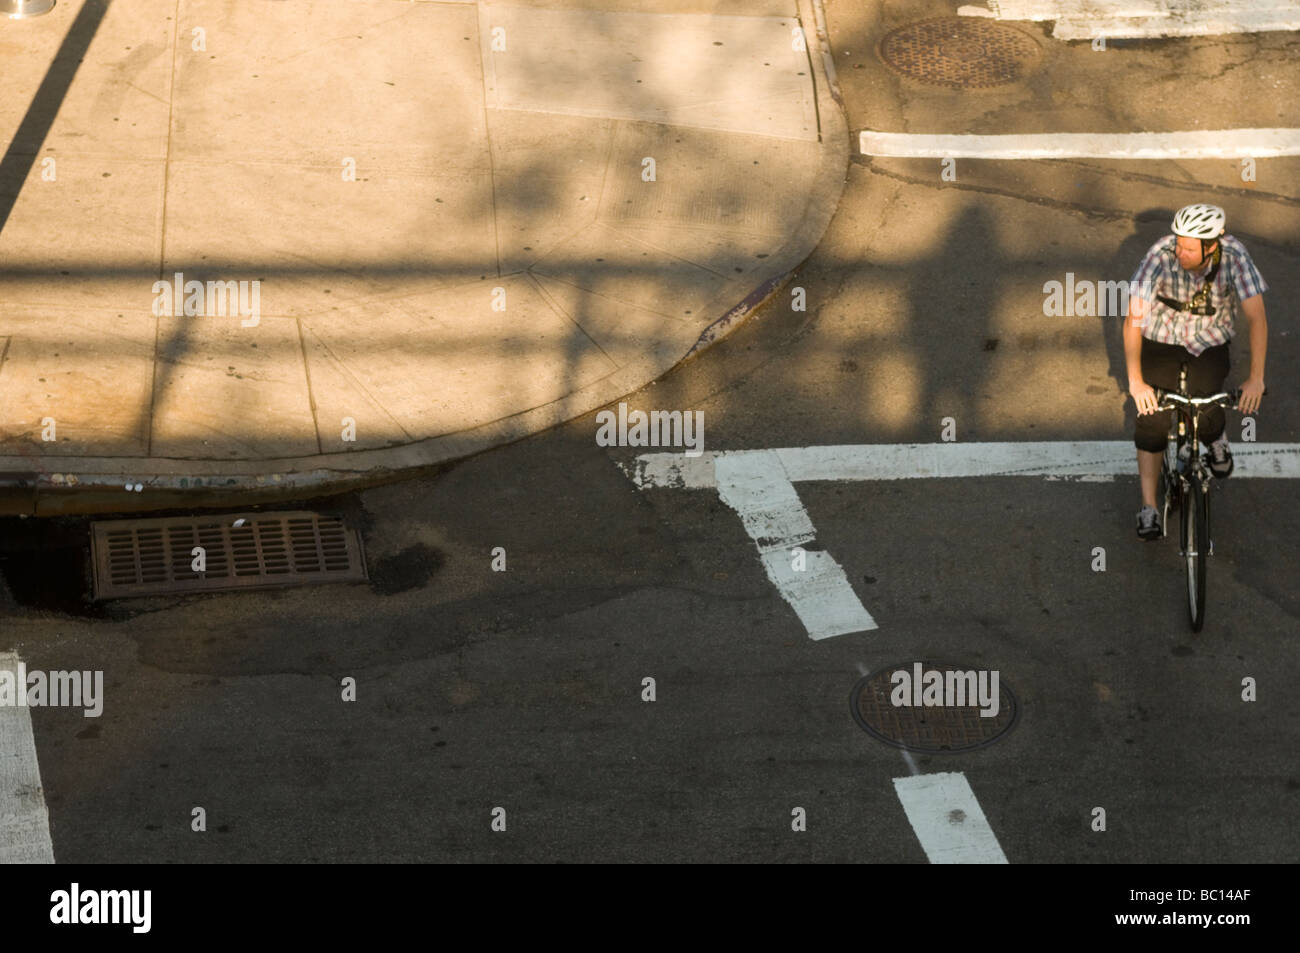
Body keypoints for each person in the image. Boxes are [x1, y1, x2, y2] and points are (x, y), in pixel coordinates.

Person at [1123, 204, 1268, 539]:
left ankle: (1215, 438)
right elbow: (1133, 319)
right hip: (1162, 338)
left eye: (1188, 248)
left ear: (1211, 246)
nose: (1180, 252)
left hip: (1209, 339)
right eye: (1178, 243)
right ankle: (1149, 506)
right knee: (1152, 420)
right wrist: (1136, 382)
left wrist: (1256, 378)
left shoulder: (1234, 256)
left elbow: (1256, 317)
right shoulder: (1159, 254)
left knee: (1208, 403)